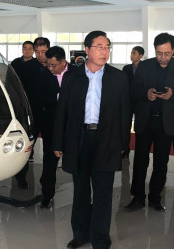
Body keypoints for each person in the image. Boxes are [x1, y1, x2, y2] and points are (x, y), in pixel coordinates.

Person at [53, 31, 130, 249]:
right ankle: (80, 234)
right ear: (87, 50)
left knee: (103, 192)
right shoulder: (72, 77)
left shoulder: (118, 78)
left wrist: (123, 144)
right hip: (79, 139)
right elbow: (62, 110)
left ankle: (100, 239)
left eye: (107, 47)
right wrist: (58, 142)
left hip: (107, 139)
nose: (104, 51)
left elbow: (125, 113)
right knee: (80, 191)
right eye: (99, 47)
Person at [125, 33, 174, 212]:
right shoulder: (145, 66)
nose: (163, 57)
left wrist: (173, 95)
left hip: (166, 122)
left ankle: (155, 197)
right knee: (140, 160)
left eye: (167, 53)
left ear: (173, 50)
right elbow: (134, 91)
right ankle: (137, 197)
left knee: (161, 162)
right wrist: (146, 94)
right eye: (159, 53)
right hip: (146, 120)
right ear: (154, 50)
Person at [37, 46, 74, 208]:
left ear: (63, 62)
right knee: (50, 159)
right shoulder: (43, 74)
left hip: (72, 123)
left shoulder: (77, 73)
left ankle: (83, 195)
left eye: (53, 65)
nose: (50, 69)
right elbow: (40, 98)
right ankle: (47, 194)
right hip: (51, 123)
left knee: (78, 159)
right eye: (48, 65)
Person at [15, 36, 51, 188]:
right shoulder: (27, 67)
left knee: (50, 152)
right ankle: (20, 177)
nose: (40, 55)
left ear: (48, 50)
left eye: (43, 51)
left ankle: (47, 185)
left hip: (50, 114)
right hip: (32, 113)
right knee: (27, 146)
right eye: (37, 52)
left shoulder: (54, 66)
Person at [121, 45, 144, 158]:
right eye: (131, 53)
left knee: (139, 127)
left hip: (140, 102)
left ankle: (140, 150)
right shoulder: (126, 68)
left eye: (134, 53)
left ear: (140, 55)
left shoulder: (145, 68)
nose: (132, 55)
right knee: (126, 125)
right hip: (128, 101)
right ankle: (125, 149)